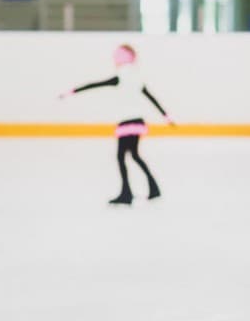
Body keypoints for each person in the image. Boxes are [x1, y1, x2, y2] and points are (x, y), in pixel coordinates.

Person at [59, 44, 173, 205]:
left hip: (127, 122)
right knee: (134, 155)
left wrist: (71, 92)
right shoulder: (136, 78)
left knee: (122, 156)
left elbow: (94, 85)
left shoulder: (121, 77)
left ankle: (127, 193)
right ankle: (152, 189)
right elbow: (151, 97)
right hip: (138, 121)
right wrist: (166, 116)